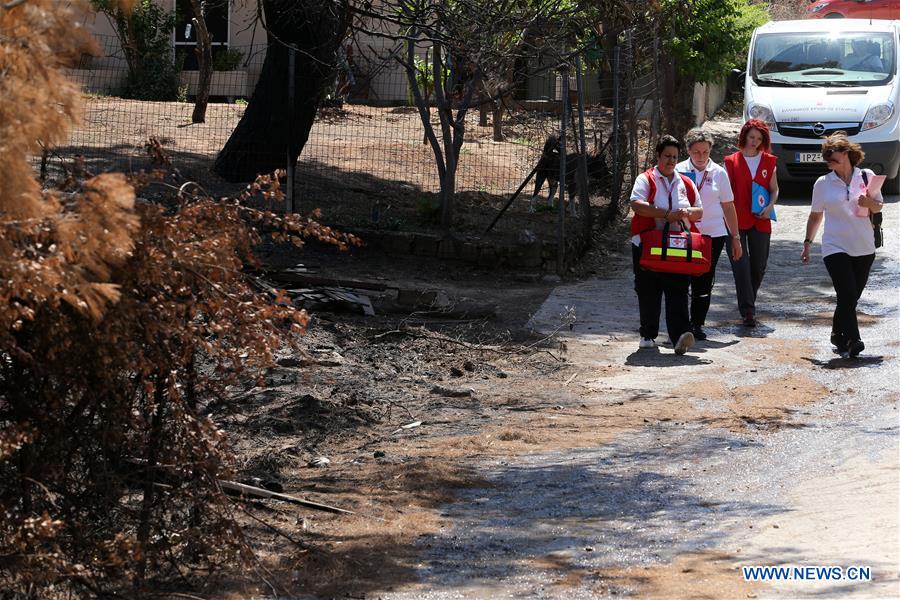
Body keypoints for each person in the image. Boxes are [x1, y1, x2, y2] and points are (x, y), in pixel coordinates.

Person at [800, 132, 883, 358]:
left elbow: (878, 207)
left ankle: (837, 334)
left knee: (850, 297)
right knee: (846, 293)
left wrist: (869, 203)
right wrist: (808, 243)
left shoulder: (867, 176)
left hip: (865, 247)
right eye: (826, 158)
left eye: (833, 156)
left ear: (846, 154)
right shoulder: (823, 183)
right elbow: (815, 216)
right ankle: (853, 340)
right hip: (834, 246)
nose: (829, 161)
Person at [630, 135, 704, 355]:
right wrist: (665, 214)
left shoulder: (686, 182)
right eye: (667, 156)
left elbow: (699, 211)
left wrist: (684, 213)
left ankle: (680, 335)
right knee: (648, 290)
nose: (671, 161)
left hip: (677, 245)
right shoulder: (646, 179)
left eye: (674, 157)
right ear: (657, 156)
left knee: (679, 288)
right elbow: (636, 204)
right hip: (647, 244)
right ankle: (648, 334)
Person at [677, 128, 743, 341]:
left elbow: (728, 206)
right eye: (696, 152)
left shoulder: (719, 173)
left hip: (712, 235)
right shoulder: (678, 170)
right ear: (688, 150)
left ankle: (697, 324)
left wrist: (735, 237)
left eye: (705, 152)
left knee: (704, 279)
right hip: (684, 233)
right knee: (680, 278)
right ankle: (679, 324)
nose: (701, 157)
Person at [724, 119, 780, 327]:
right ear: (744, 136)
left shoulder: (769, 161)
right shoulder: (730, 161)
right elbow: (724, 192)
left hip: (761, 219)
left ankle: (748, 302)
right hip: (735, 220)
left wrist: (770, 206)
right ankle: (748, 310)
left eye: (759, 138)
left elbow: (774, 189)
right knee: (741, 265)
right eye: (751, 137)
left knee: (759, 266)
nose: (754, 141)